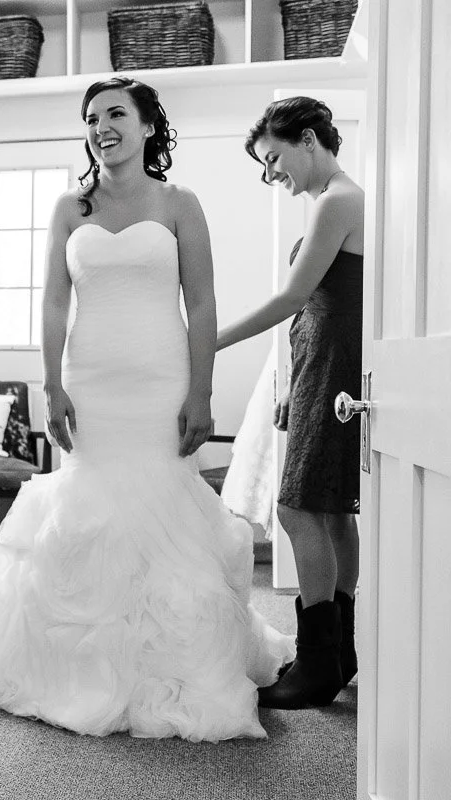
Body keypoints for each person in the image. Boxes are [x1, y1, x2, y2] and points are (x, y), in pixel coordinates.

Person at [0, 77, 293, 742]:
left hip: (159, 382)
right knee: (90, 510)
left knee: (160, 506)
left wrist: (202, 390)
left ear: (149, 126)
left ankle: (165, 660)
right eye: (91, 118)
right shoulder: (71, 206)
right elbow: (54, 302)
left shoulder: (180, 203)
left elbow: (201, 302)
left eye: (116, 114)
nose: (101, 127)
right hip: (88, 382)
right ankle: (78, 665)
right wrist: (50, 385)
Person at [216, 96, 364, 709]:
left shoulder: (339, 200)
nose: (271, 175)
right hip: (320, 368)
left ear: (308, 139)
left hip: (335, 370)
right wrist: (289, 381)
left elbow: (292, 297)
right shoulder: (332, 201)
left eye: (273, 159)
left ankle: (318, 663)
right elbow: (312, 311)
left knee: (300, 509)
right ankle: (340, 653)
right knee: (329, 512)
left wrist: (209, 340)